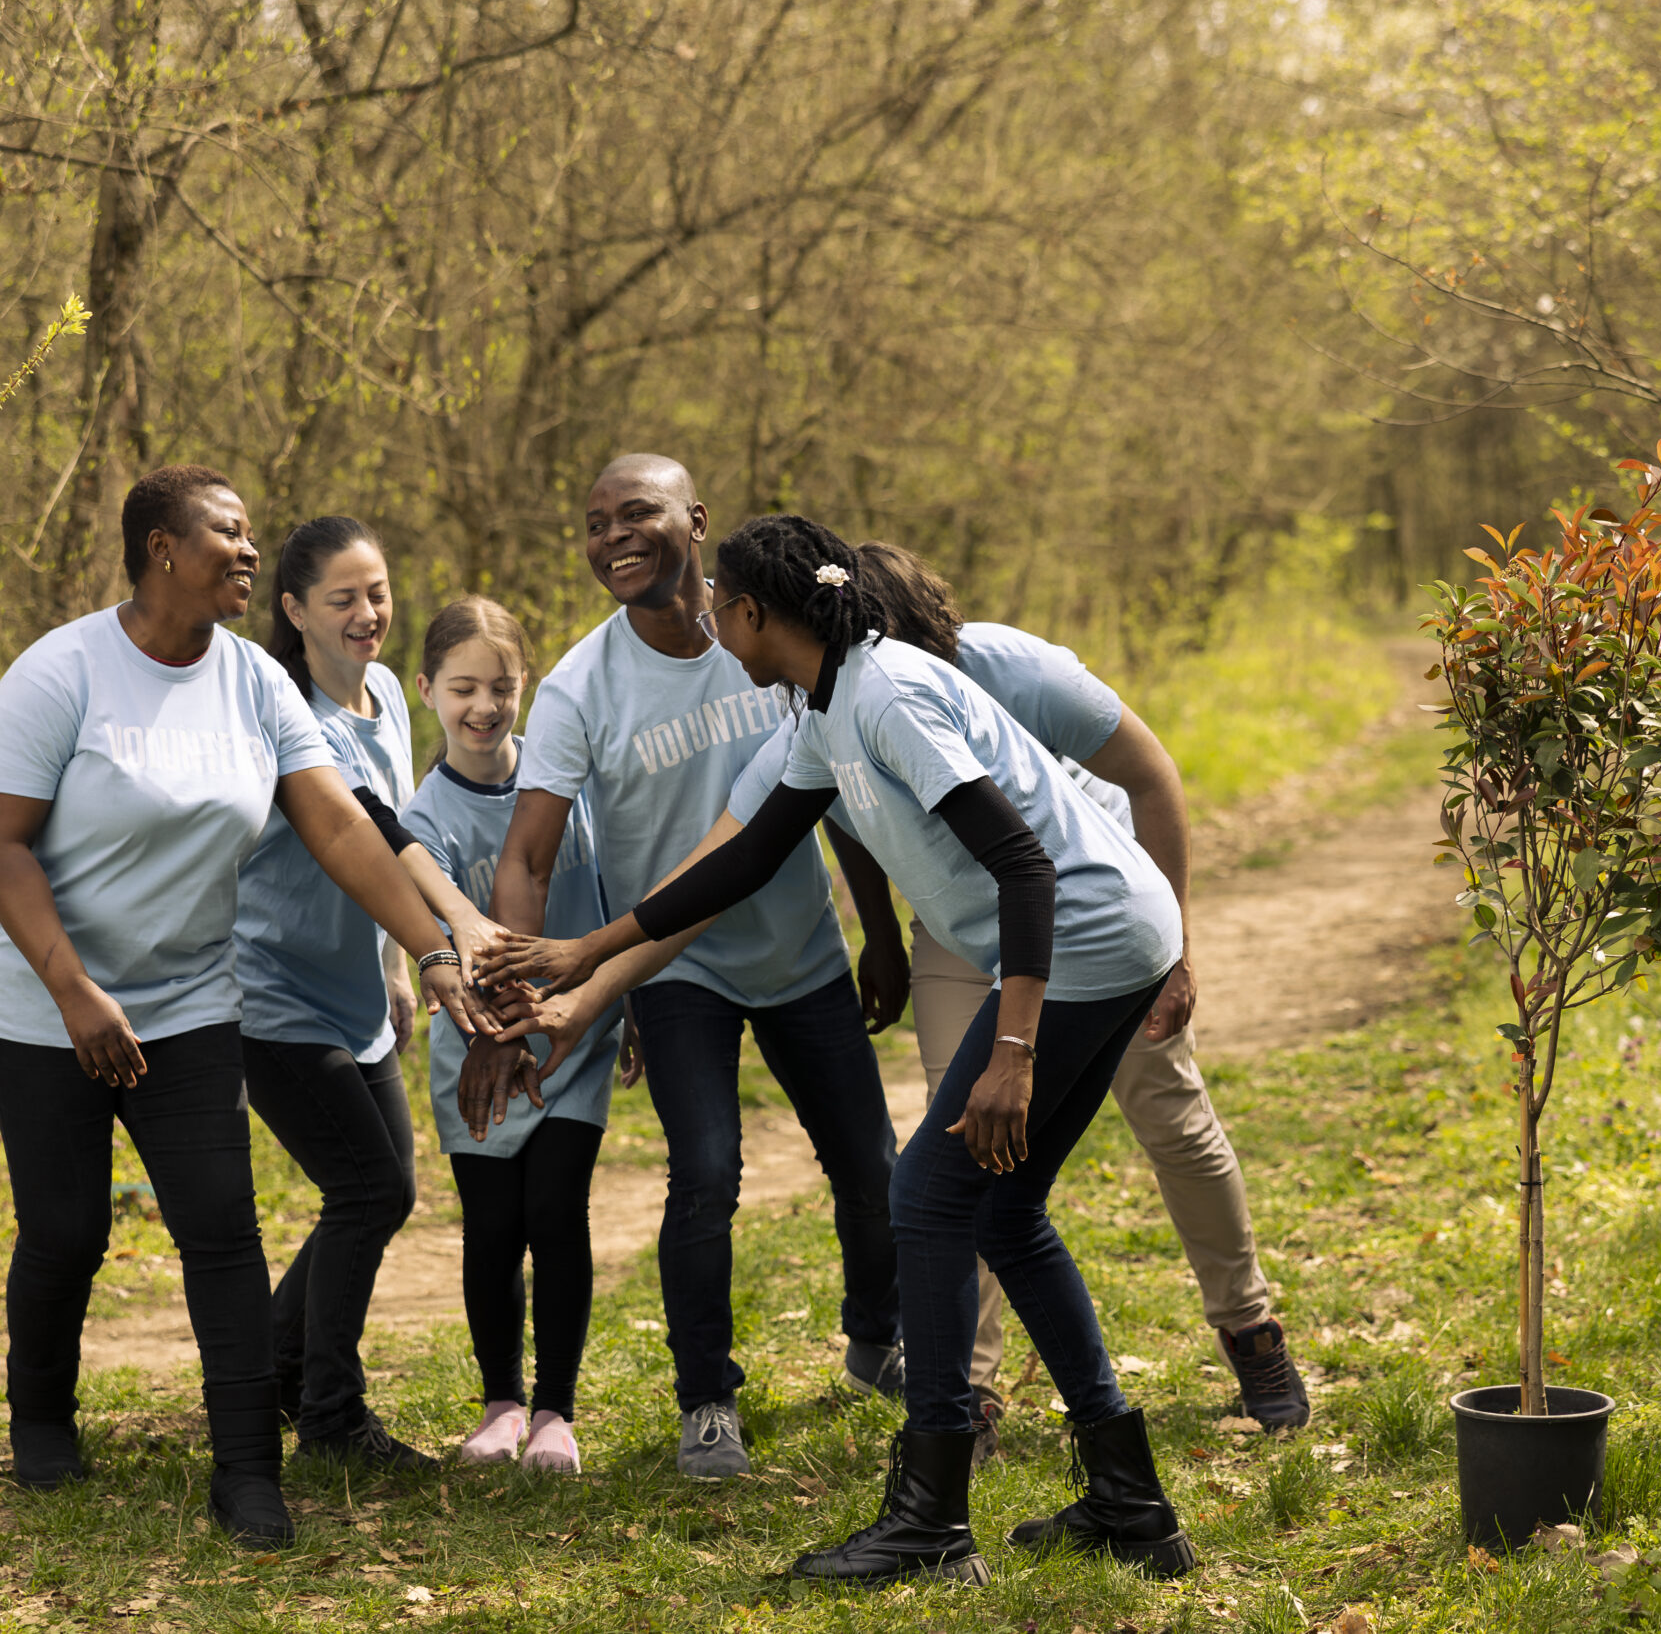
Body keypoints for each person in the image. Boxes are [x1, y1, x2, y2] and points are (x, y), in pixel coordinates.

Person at [485, 515, 1198, 1587]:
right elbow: (744, 862)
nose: (710, 614)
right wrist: (589, 951)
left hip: (1089, 945)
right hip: (1111, 939)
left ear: (756, 615)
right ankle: (1131, 1503)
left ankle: (931, 1520)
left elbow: (1024, 868)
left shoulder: (890, 695)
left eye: (721, 598)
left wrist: (1011, 1049)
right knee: (999, 1210)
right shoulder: (827, 707)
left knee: (924, 1198)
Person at [0, 465, 483, 1551]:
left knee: (221, 1232)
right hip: (42, 1002)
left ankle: (247, 1473)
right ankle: (40, 1421)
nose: (250, 550)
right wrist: (72, 991)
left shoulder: (253, 679)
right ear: (160, 547)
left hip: (191, 1001)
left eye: (252, 535)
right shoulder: (62, 673)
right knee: (67, 1230)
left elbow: (341, 828)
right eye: (226, 533)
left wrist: (433, 949)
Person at [486, 454, 907, 1481]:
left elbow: (834, 783)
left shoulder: (767, 637)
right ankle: (706, 1401)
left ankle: (875, 1336)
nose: (612, 536)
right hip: (673, 970)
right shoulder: (581, 685)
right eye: (594, 522)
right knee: (705, 1174)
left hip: (801, 946)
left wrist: (881, 933)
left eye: (636, 512)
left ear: (696, 521)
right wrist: (516, 1003)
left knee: (867, 1163)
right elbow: (528, 857)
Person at [852, 542, 1310, 1442]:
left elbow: (1152, 774)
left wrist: (1175, 949)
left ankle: (1251, 1328)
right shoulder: (833, 698)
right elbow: (849, 820)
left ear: (936, 635)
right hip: (958, 926)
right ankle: (971, 1388)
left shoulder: (1011, 666)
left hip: (1092, 903)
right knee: (963, 1139)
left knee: (1170, 1116)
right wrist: (878, 937)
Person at [235, 515, 489, 1472]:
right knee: (367, 1186)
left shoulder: (385, 689)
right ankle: (331, 1419)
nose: (367, 614)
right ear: (294, 610)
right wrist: (440, 939)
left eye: (376, 592)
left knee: (386, 1191)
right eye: (341, 598)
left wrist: (390, 959)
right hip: (268, 993)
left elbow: (390, 836)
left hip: (352, 992)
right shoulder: (289, 715)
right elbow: (368, 832)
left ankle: (269, 1369)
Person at [399, 597, 620, 1474]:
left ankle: (557, 1412)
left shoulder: (564, 778)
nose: (484, 706)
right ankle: (500, 1404)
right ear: (427, 690)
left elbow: (606, 897)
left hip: (572, 1039)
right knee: (493, 1227)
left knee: (557, 1212)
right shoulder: (424, 820)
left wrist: (619, 1002)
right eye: (463, 688)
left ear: (526, 686)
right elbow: (447, 949)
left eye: (502, 686)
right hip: (479, 1054)